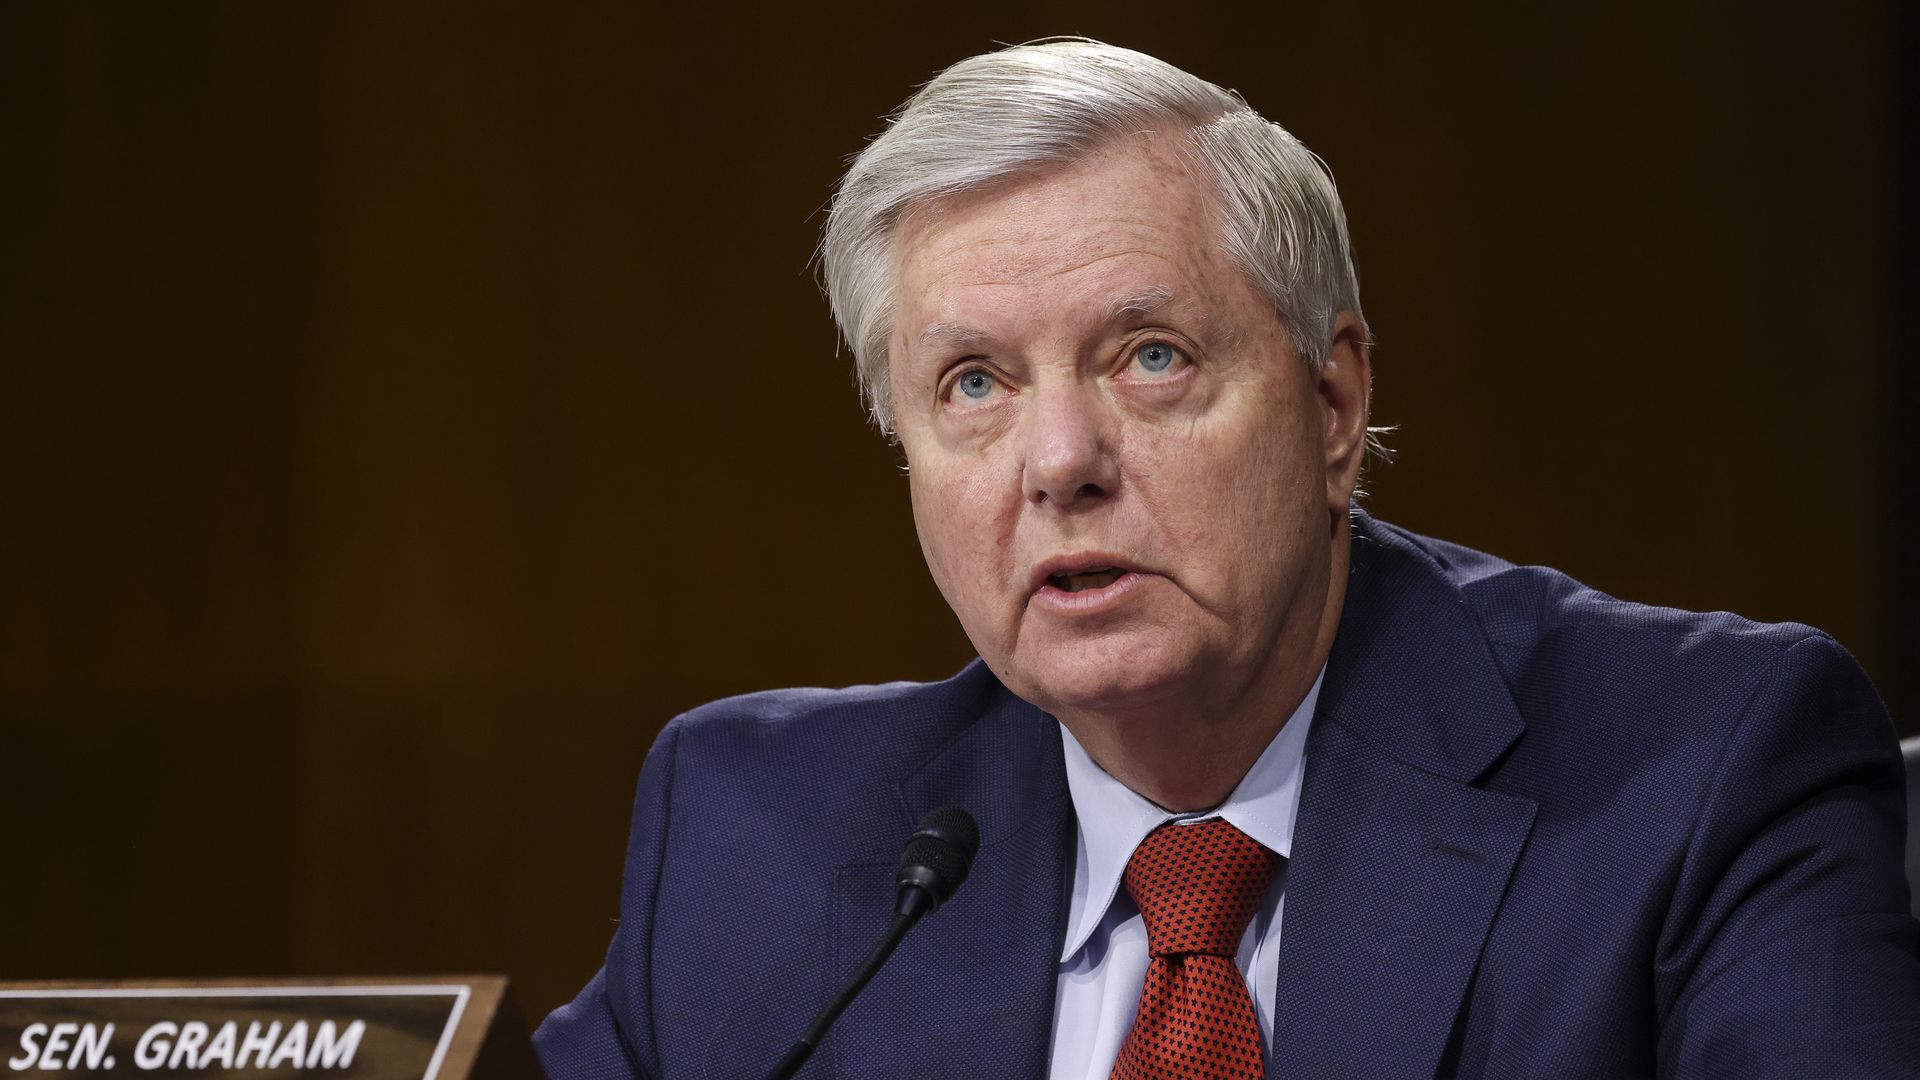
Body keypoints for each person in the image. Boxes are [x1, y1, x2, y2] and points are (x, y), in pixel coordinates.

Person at [534, 39, 1920, 1079]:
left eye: (1150, 358)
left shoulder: (1702, 773)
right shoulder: (756, 838)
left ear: (1332, 403)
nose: (1059, 460)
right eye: (972, 384)